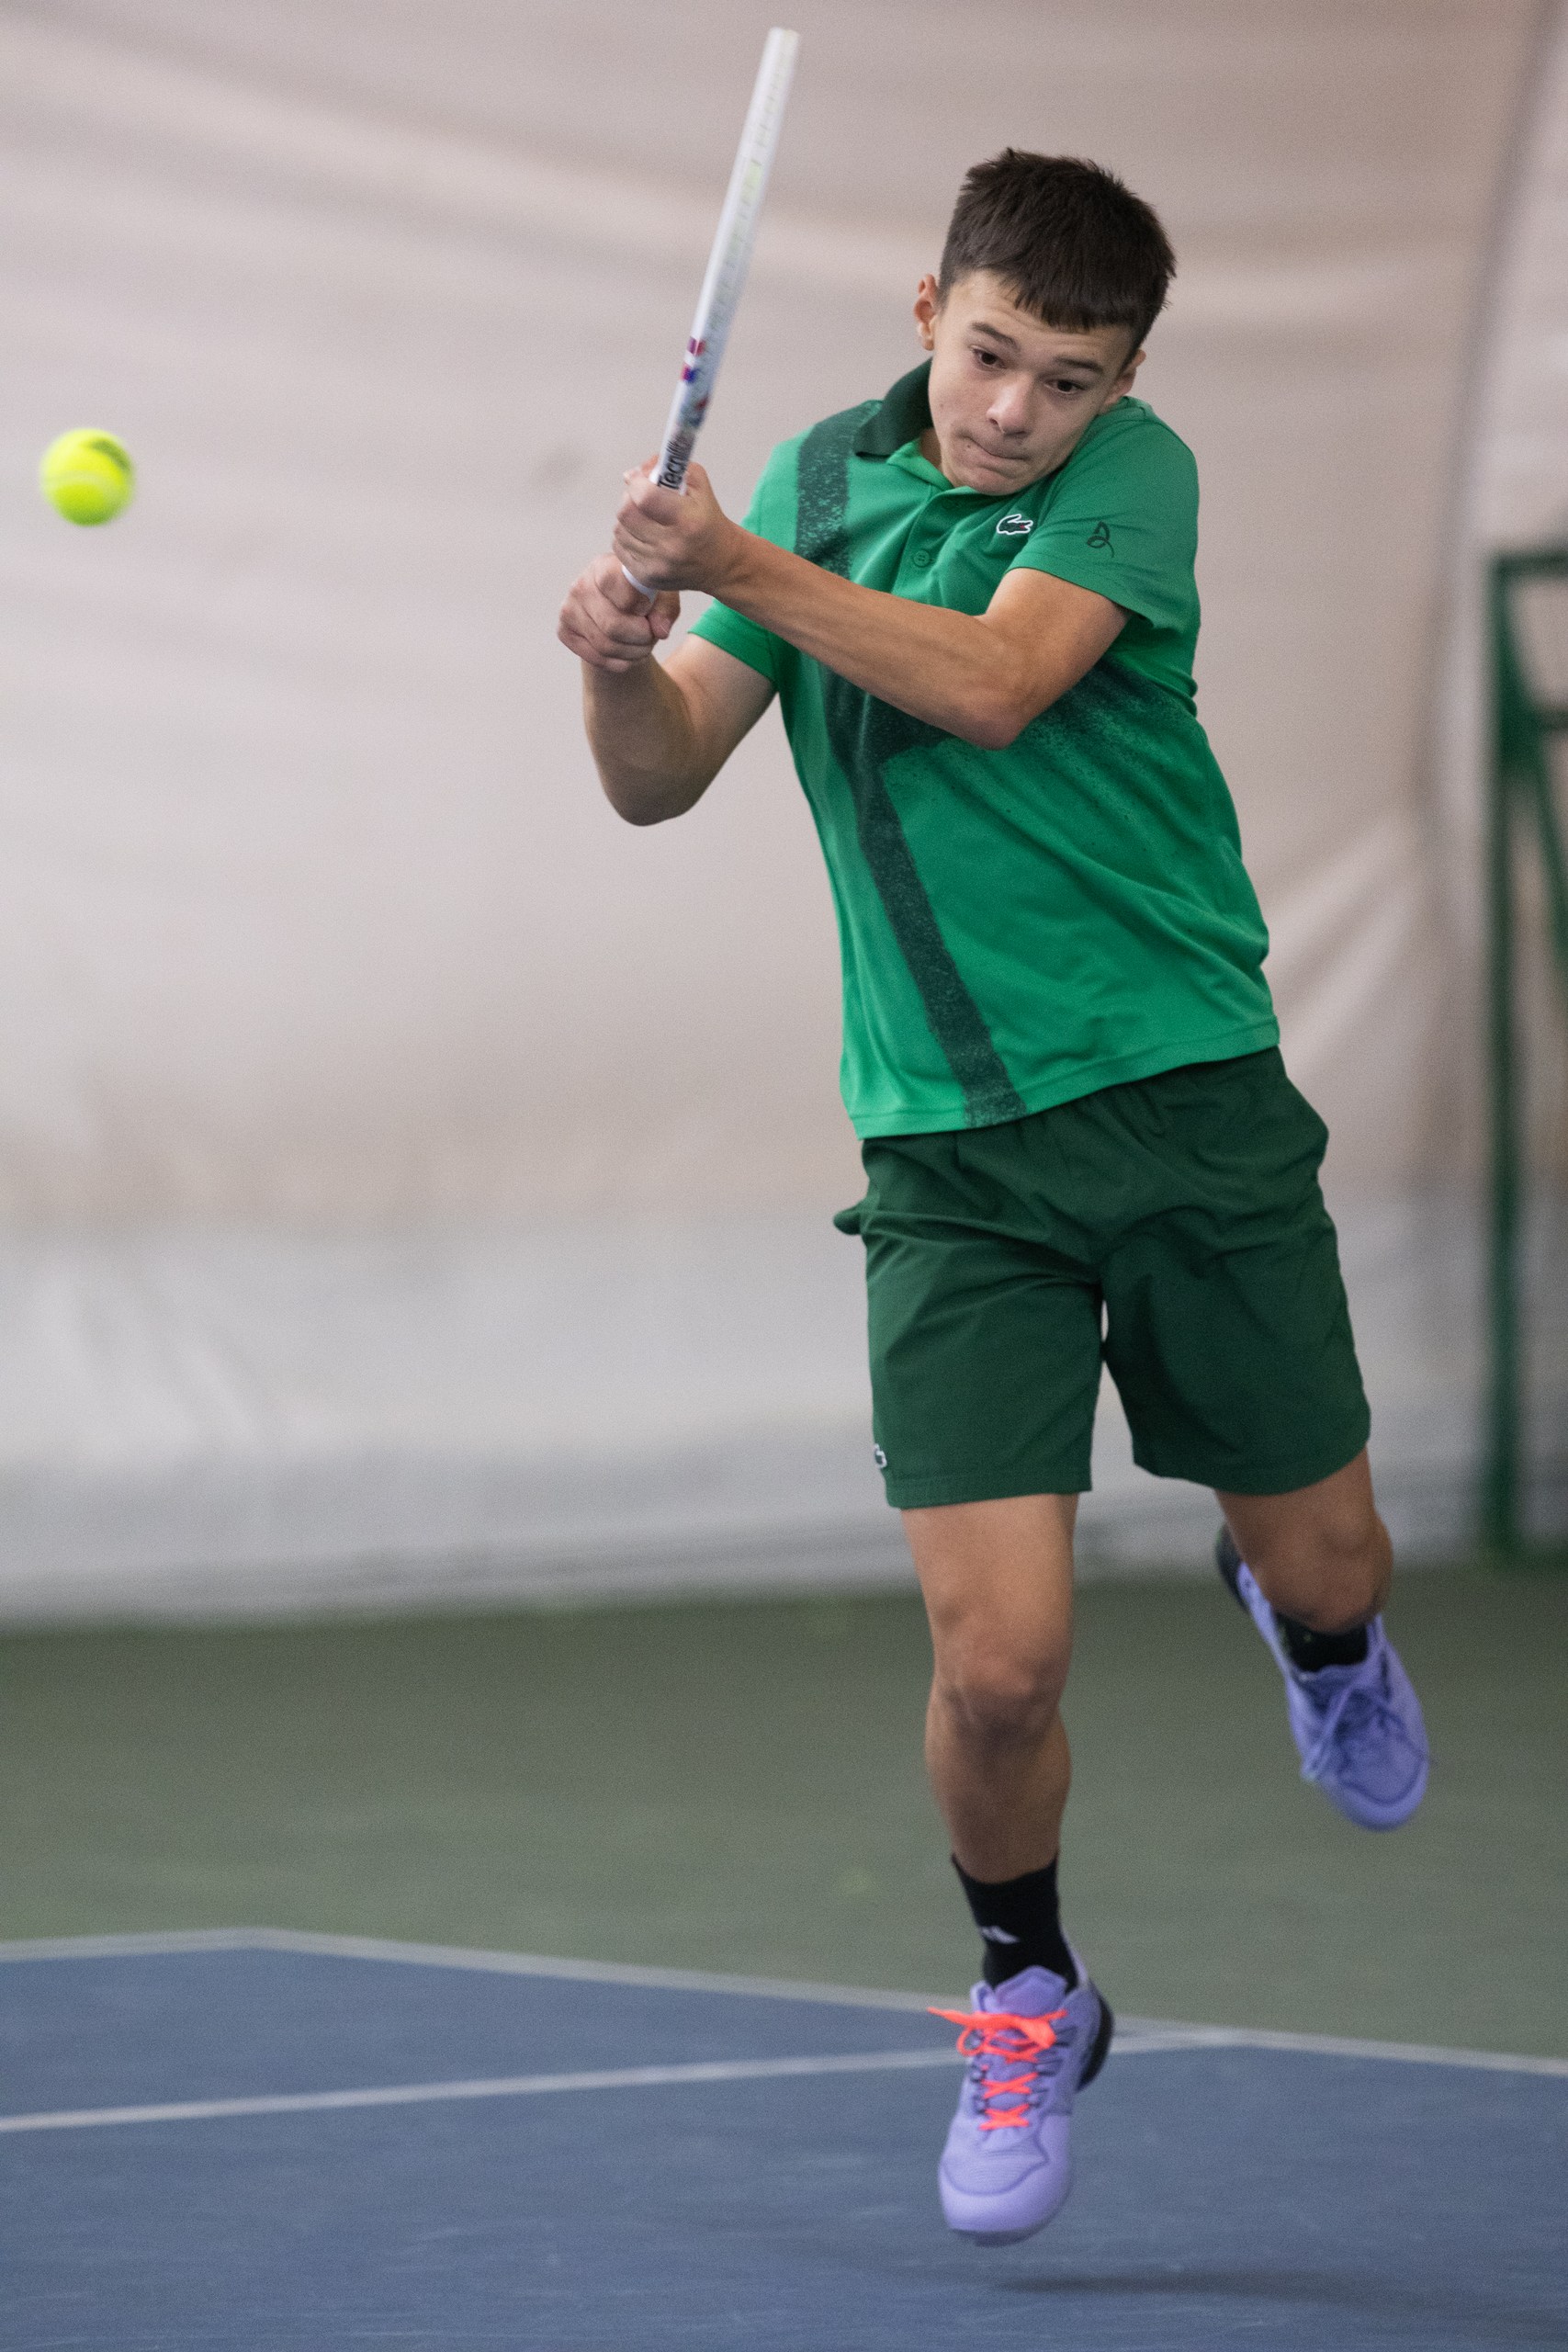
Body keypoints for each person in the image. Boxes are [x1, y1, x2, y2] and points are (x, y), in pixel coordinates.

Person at [558, 150, 1429, 2246]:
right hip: (948, 1159)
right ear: (926, 310)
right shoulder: (815, 484)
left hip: (1187, 1106)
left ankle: (1310, 1628)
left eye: (1070, 375)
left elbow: (990, 681)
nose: (1019, 407)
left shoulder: (1136, 481)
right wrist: (615, 653)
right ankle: (1026, 1981)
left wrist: (733, 560)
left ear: (1123, 382)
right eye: (991, 355)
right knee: (999, 1664)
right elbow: (661, 776)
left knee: (1331, 1553)